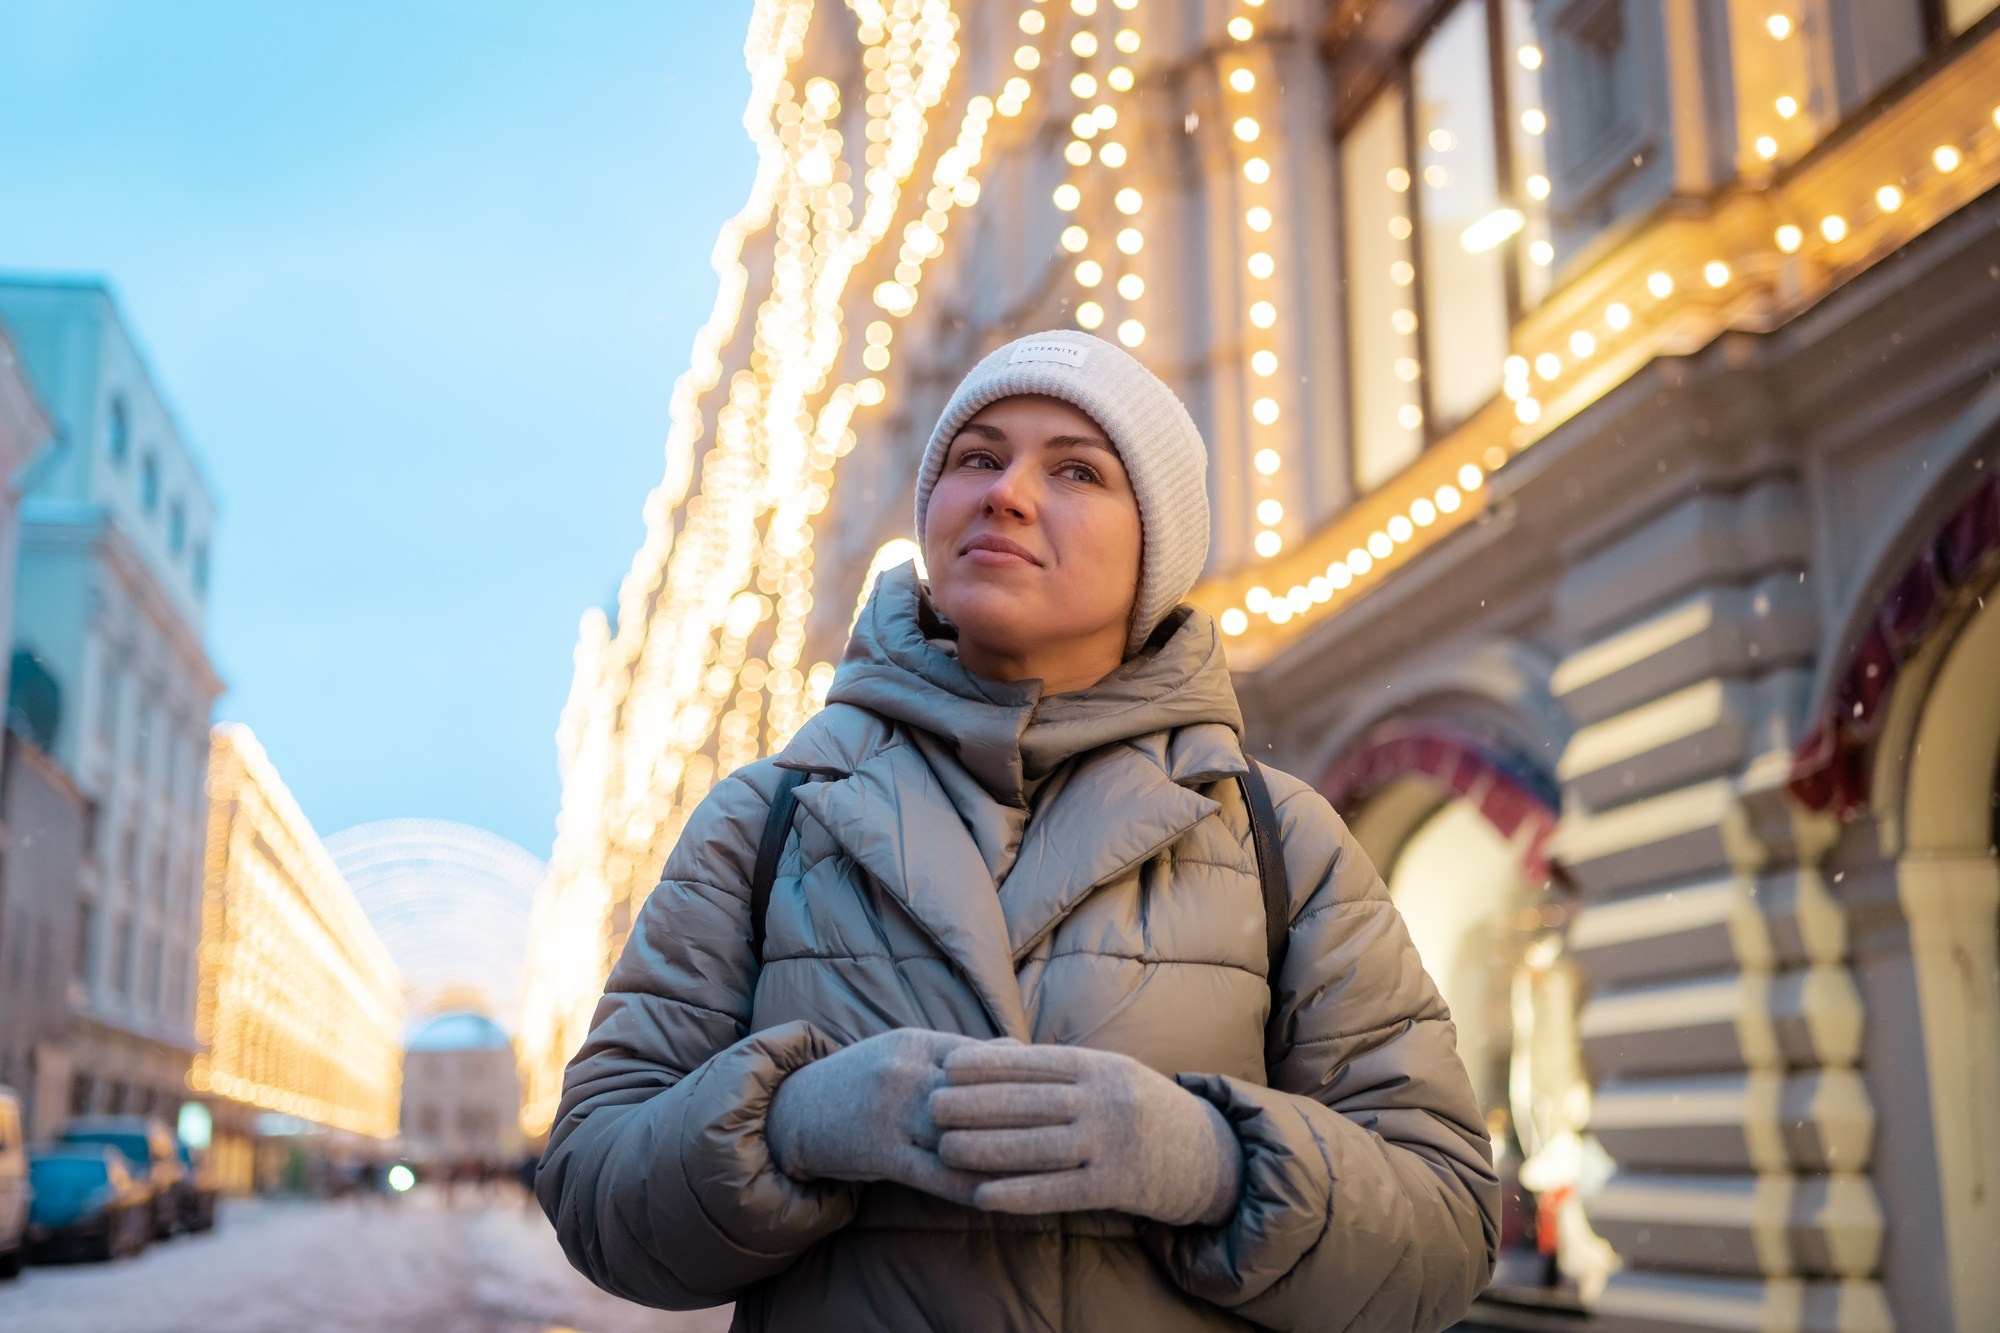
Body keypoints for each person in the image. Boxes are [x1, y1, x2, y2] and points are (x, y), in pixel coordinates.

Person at [540, 330, 1499, 1330]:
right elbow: (593, 1191)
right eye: (976, 457)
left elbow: (1445, 1229)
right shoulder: (767, 817)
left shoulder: (1276, 836)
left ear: (1153, 550)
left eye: (1076, 469)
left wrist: (1210, 1159)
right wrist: (791, 1123)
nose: (1005, 492)